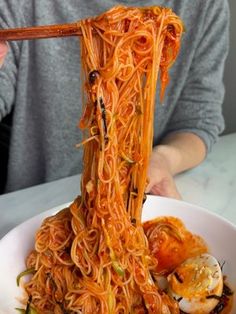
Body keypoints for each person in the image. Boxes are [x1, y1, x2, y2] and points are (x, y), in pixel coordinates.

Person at [0, 0, 229, 198]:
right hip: (32, 205)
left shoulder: (205, 6)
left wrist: (165, 159)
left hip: (136, 196)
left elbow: (198, 120)